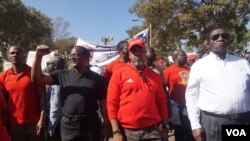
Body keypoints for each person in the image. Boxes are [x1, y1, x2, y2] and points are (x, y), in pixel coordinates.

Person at [185, 28, 250, 141]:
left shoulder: (243, 63)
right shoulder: (200, 66)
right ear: (208, 44)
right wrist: (195, 125)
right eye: (215, 37)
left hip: (243, 120)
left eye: (224, 36)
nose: (220, 39)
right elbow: (192, 96)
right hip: (214, 123)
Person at [31, 45, 108, 141]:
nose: (72, 57)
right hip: (68, 126)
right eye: (71, 55)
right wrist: (38, 56)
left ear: (86, 58)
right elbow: (37, 79)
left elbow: (103, 103)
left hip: (90, 125)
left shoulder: (97, 78)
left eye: (76, 55)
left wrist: (106, 123)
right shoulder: (62, 74)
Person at [107, 38, 168, 141]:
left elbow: (161, 102)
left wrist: (165, 127)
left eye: (141, 50)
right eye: (134, 51)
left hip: (153, 130)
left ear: (145, 53)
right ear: (129, 54)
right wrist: (116, 132)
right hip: (127, 131)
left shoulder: (155, 76)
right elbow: (111, 103)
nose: (138, 54)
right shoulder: (119, 74)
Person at [0, 45, 45, 141]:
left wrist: (42, 118)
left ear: (24, 56)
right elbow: (3, 102)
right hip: (13, 124)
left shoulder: (34, 73)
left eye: (18, 52)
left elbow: (42, 96)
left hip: (34, 123)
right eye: (12, 53)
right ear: (8, 56)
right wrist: (4, 123)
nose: (15, 55)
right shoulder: (3, 77)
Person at [163, 49, 194, 141]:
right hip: (176, 106)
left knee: (190, 131)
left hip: (190, 105)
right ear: (175, 58)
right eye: (183, 55)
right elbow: (163, 88)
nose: (186, 57)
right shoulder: (167, 71)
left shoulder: (189, 70)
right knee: (179, 131)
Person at [45, 56, 66, 141]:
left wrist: (51, 128)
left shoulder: (55, 83)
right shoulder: (65, 78)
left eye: (48, 64)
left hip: (55, 124)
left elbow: (55, 106)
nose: (46, 66)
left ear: (55, 66)